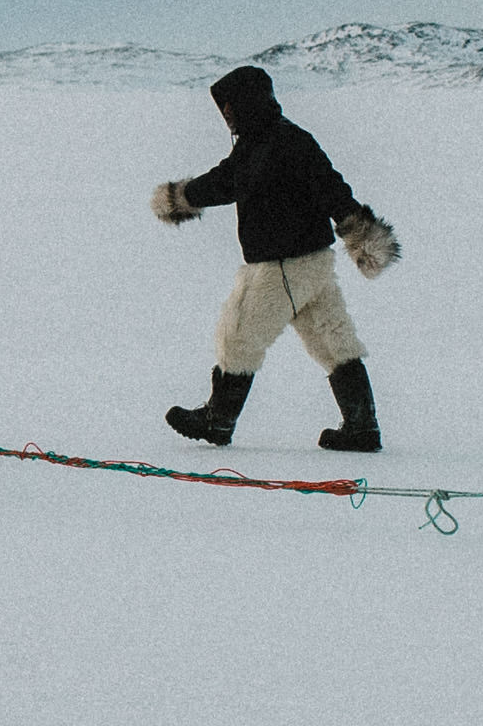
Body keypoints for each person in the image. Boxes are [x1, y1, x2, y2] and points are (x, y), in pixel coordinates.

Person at [149, 63, 399, 453]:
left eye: (229, 107)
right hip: (313, 266)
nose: (226, 116)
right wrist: (180, 197)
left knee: (238, 335)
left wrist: (361, 234)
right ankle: (361, 426)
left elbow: (327, 188)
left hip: (282, 266)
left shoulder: (276, 144)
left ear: (246, 104)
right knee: (334, 342)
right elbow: (226, 181)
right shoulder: (269, 141)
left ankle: (218, 420)